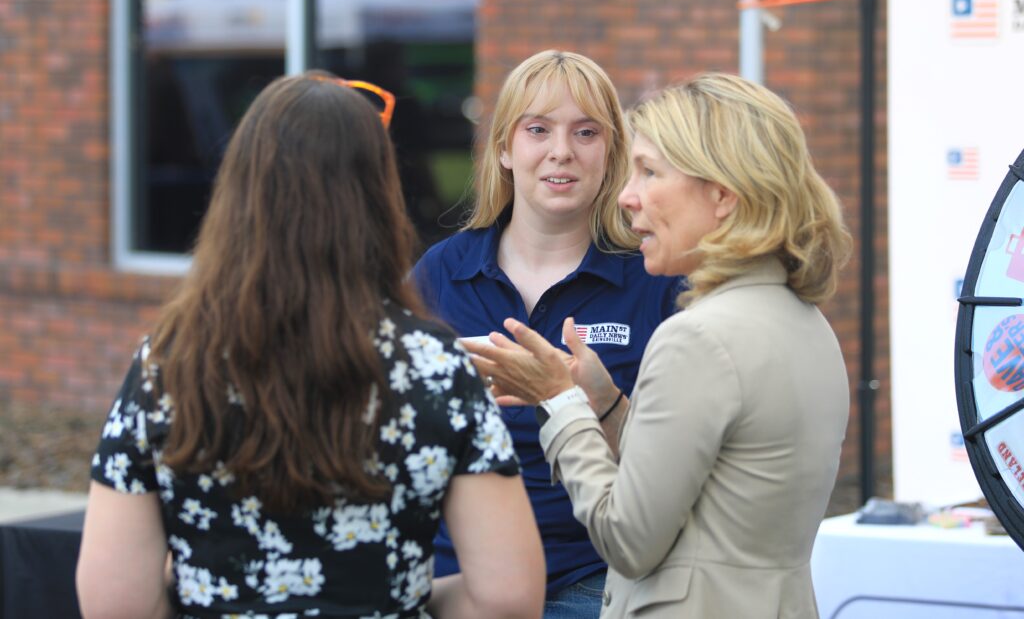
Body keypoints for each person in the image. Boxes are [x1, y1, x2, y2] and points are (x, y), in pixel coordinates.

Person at [75, 71, 545, 619]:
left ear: (239, 192)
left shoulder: (170, 366)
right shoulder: (436, 369)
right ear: (378, 195)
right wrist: (408, 600)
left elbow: (114, 603)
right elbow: (508, 598)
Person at [465, 73, 853, 618]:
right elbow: (702, 482)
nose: (626, 197)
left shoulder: (696, 336)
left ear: (720, 196)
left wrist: (559, 401)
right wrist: (603, 401)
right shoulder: (803, 320)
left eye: (649, 172)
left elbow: (626, 539)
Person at [413, 49, 681, 617]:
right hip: (456, 580)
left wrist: (591, 399)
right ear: (506, 148)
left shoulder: (654, 280)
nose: (562, 151)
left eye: (586, 132)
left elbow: (672, 468)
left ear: (611, 154)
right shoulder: (440, 272)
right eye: (538, 129)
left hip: (590, 581)